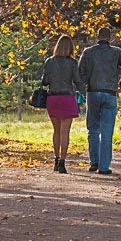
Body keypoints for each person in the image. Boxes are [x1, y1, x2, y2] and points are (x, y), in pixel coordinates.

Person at [77, 26, 121, 175]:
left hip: (93, 93)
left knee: (93, 129)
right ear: (110, 38)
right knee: (107, 132)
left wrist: (84, 82)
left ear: (97, 36)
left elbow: (80, 72)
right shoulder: (116, 52)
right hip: (110, 93)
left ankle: (94, 161)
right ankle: (103, 167)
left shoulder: (88, 52)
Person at [41, 34, 84, 174]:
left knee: (56, 131)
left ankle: (56, 158)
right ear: (70, 48)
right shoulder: (72, 63)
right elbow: (78, 80)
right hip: (67, 97)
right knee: (65, 132)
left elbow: (45, 81)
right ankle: (62, 163)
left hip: (53, 98)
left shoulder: (49, 61)